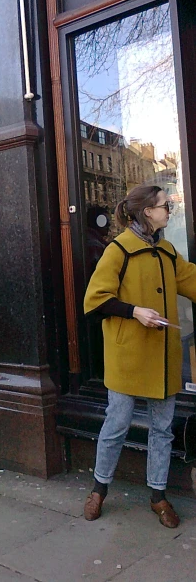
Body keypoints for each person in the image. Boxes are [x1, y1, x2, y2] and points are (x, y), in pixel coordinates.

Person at [83, 185, 196, 528]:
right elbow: (95, 301)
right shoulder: (119, 250)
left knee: (162, 429)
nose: (169, 211)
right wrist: (134, 311)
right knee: (116, 425)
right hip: (128, 357)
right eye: (164, 206)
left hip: (163, 359)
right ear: (147, 211)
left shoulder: (167, 250)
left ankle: (158, 496)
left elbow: (191, 279)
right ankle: (99, 489)